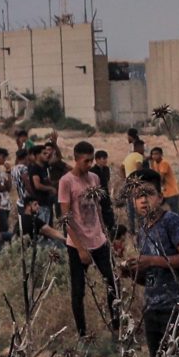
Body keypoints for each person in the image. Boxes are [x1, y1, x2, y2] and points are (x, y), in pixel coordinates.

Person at [121, 175, 179, 357]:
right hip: (153, 307)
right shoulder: (143, 231)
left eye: (148, 194)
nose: (143, 200)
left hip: (176, 306)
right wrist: (132, 273)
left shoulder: (171, 221)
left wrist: (150, 260)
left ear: (161, 196)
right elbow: (151, 278)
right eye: (137, 196)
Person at [59, 142, 117, 339]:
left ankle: (116, 327)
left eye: (91, 160)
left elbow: (98, 207)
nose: (90, 164)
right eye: (86, 161)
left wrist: (105, 233)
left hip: (98, 240)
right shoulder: (66, 181)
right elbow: (65, 217)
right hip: (77, 244)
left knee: (112, 282)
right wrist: (81, 248)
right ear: (76, 159)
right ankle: (82, 334)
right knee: (79, 290)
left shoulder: (94, 177)